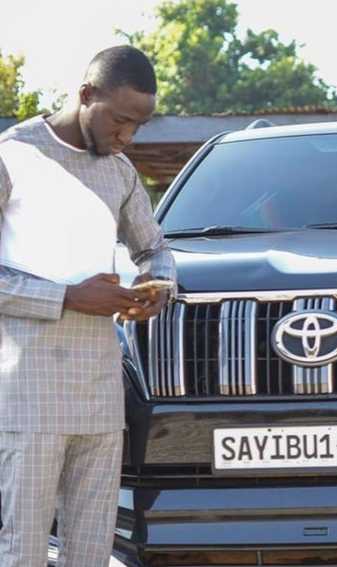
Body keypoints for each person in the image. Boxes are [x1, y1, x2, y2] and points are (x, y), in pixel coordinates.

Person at [0, 45, 175, 567]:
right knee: (24, 550)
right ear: (85, 94)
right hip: (28, 395)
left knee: (92, 555)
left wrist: (157, 288)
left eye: (138, 125)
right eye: (119, 120)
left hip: (100, 396)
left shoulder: (119, 171)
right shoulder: (13, 154)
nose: (127, 136)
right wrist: (71, 296)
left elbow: (155, 248)